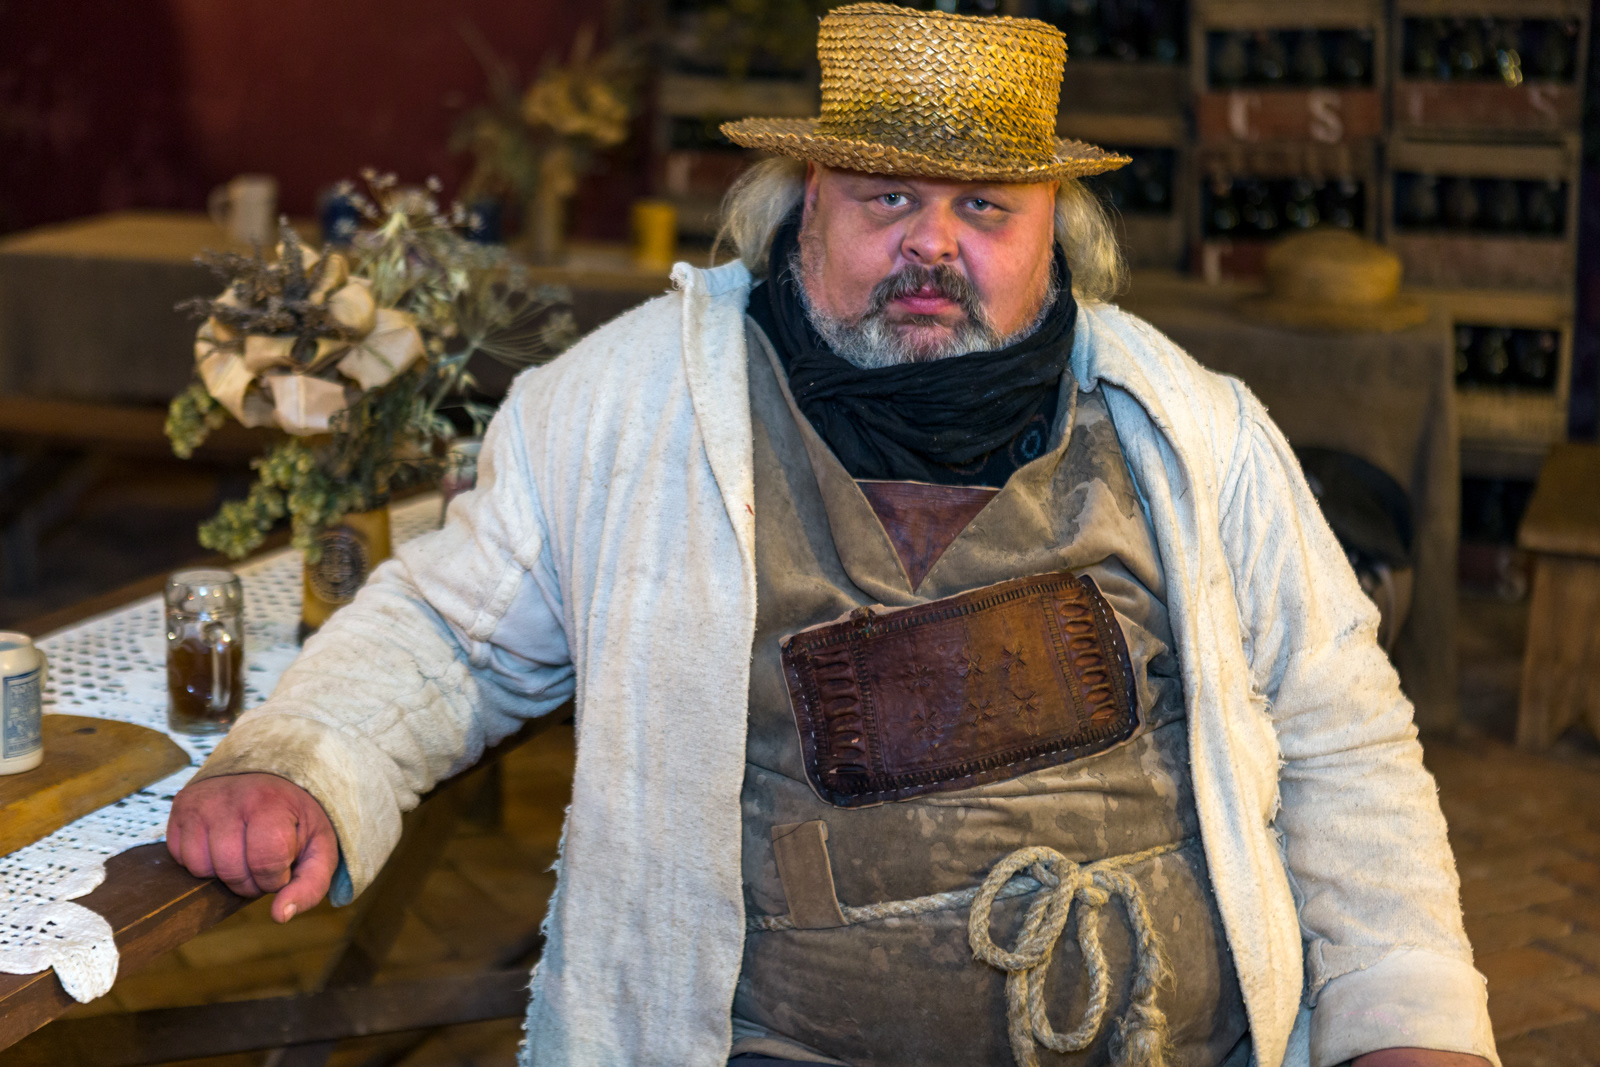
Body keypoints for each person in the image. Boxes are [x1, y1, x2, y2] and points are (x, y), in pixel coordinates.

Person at [167, 6, 1498, 1066]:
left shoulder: (1190, 429)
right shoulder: (629, 412)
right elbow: (451, 635)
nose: (934, 246)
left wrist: (1412, 1013)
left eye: (985, 210)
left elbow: (1339, 727)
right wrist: (300, 763)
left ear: (1060, 232)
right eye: (887, 201)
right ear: (809, 199)